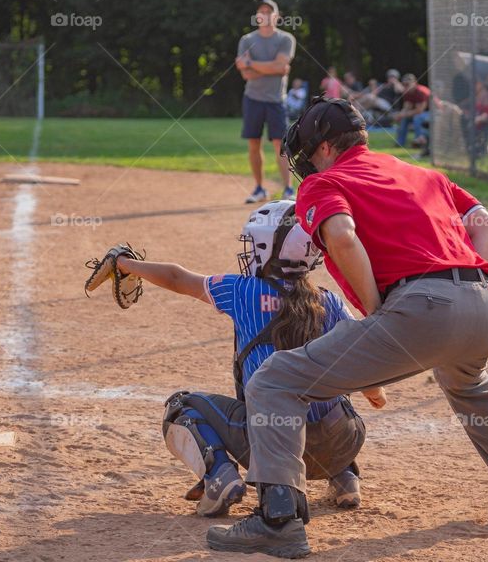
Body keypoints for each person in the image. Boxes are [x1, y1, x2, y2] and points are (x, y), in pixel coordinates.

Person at [207, 97, 488, 558]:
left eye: (309, 148)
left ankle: (278, 518)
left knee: (275, 380)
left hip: (421, 307)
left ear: (325, 146)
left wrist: (375, 308)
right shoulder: (422, 173)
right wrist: (478, 274)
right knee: (467, 380)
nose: (306, 159)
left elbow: (343, 235)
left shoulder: (326, 181)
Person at [111, 200, 379, 519]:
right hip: (343, 443)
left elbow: (175, 277)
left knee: (181, 406)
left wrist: (127, 265)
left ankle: (220, 478)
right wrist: (373, 393)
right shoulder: (330, 301)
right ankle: (345, 476)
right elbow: (373, 388)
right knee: (329, 384)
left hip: (276, 452)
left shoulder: (244, 291)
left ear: (267, 249)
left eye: (254, 244)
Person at [237, 0, 296, 203]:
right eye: (261, 11)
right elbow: (246, 74)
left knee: (281, 144)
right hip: (252, 98)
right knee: (254, 143)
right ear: (257, 16)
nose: (265, 14)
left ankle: (288, 189)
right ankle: (259, 188)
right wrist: (272, 68)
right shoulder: (247, 39)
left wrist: (251, 64)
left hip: (276, 100)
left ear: (277, 16)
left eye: (269, 11)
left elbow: (281, 66)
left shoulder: (285, 39)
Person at [394, 73, 429, 149]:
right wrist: (400, 115)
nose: (405, 86)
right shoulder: (407, 92)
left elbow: (420, 110)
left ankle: (418, 142)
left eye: (407, 84)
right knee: (404, 119)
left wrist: (404, 114)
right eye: (404, 84)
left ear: (414, 83)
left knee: (417, 118)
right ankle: (400, 142)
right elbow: (407, 107)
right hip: (420, 113)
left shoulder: (421, 91)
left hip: (433, 112)